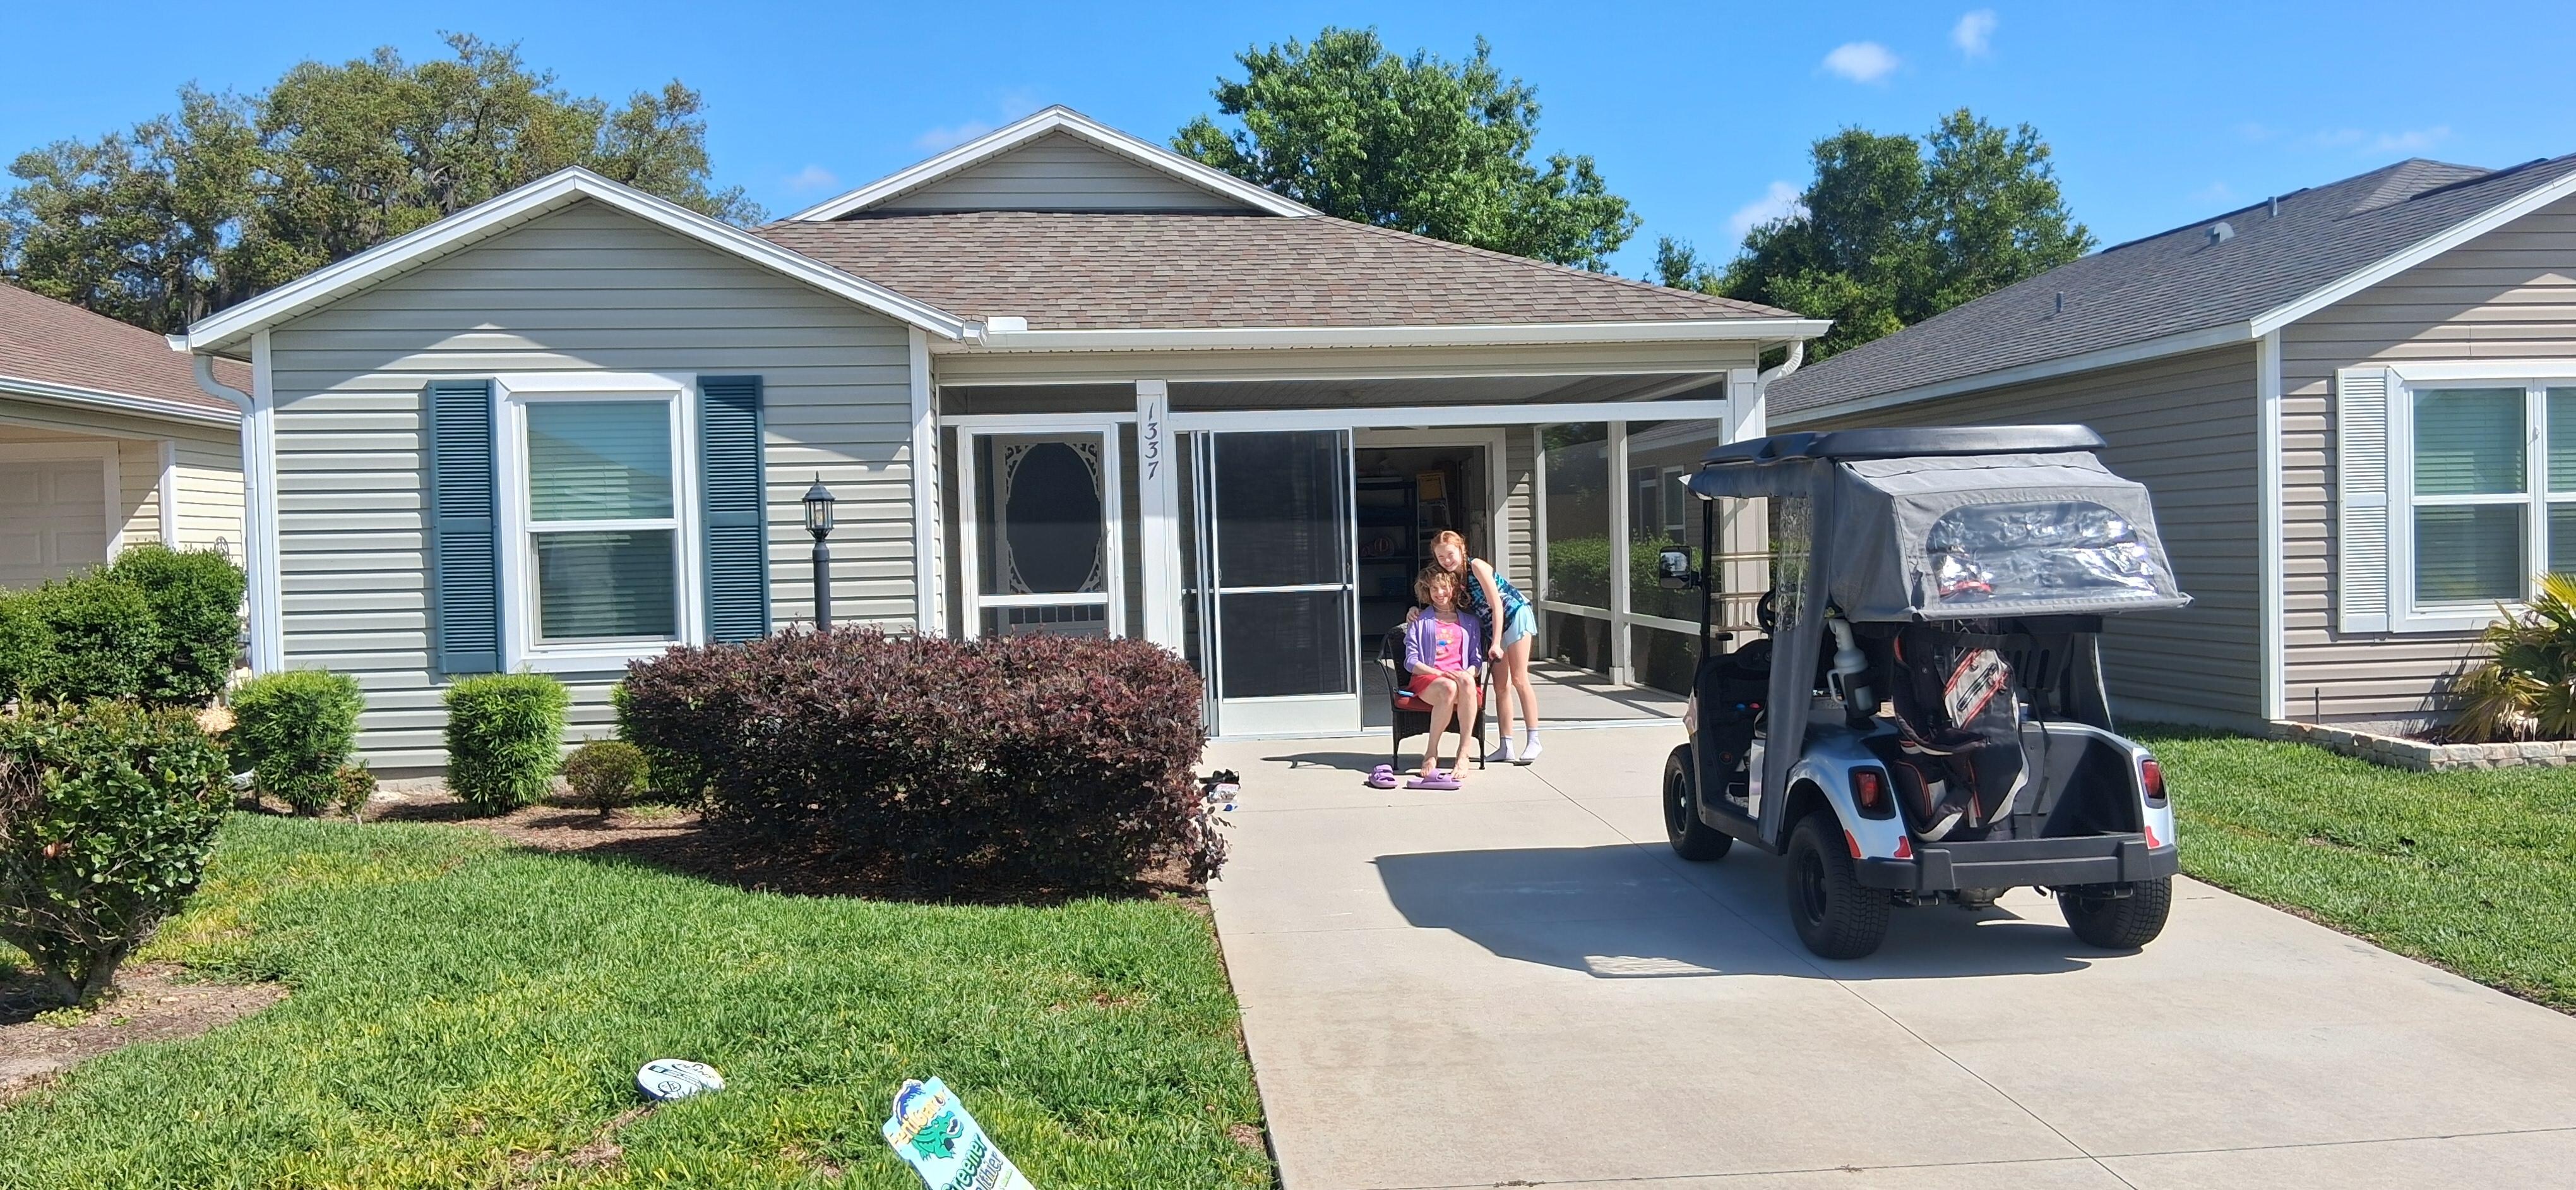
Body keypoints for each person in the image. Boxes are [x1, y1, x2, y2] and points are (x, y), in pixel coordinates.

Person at [1419, 529, 1540, 763]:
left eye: (1450, 554)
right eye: (1441, 557)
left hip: (1514, 616)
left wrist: (1495, 642)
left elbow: (1497, 605)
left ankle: (1534, 740)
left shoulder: (1477, 566)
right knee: (1501, 687)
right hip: (1491, 626)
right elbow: (1441, 600)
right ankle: (1506, 745)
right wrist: (1416, 611)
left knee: (1519, 679)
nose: (1447, 560)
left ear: (1462, 549)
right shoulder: (1452, 577)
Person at [1400, 566, 1484, 786]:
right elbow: (1411, 662)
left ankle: (1463, 753)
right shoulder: (1419, 620)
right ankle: (1431, 752)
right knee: (1448, 687)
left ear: (1453, 589)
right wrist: (1439, 673)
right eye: (1434, 589)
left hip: (1462, 683)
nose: (1439, 593)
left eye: (1444, 588)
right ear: (1427, 591)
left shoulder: (1471, 622)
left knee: (1465, 680)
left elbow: (1476, 662)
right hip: (1429, 680)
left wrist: (1466, 673)